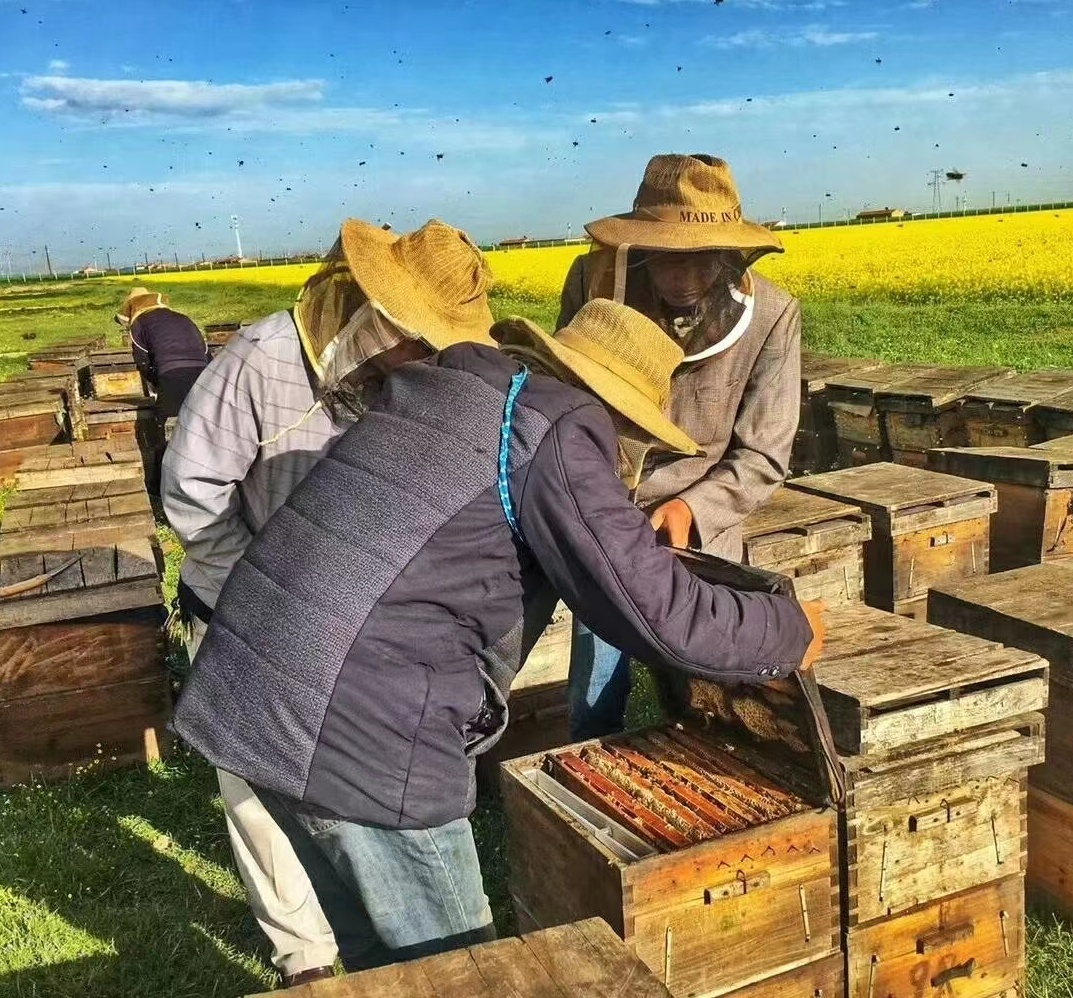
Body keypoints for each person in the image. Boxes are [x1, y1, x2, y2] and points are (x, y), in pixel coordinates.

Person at [172, 296, 825, 974]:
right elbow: (658, 612)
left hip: (250, 694)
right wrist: (785, 628)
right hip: (359, 733)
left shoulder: (448, 391)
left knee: (374, 962)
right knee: (462, 973)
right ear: (612, 406)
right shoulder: (557, 430)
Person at [162, 218, 495, 987]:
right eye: (414, 338)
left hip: (355, 623)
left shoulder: (409, 371)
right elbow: (192, 493)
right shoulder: (259, 360)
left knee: (345, 785)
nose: (422, 357)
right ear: (369, 306)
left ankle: (372, 933)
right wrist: (261, 592)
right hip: (239, 609)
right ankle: (303, 957)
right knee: (253, 783)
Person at [558, 153, 803, 739]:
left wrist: (691, 509)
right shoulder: (590, 285)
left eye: (700, 259)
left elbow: (764, 454)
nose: (684, 278)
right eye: (667, 258)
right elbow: (563, 396)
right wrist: (595, 500)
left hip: (703, 528)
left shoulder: (773, 316)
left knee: (713, 702)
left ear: (729, 253)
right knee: (596, 688)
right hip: (603, 514)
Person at [116, 287, 209, 419]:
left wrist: (157, 381)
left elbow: (142, 362)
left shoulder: (139, 323)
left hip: (170, 374)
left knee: (169, 425)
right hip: (203, 374)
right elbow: (206, 351)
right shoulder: (183, 318)